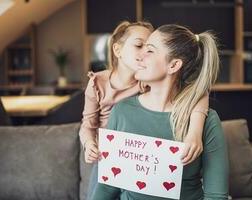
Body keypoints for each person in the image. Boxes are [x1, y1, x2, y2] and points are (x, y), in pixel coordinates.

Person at [90, 24, 229, 200]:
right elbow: (107, 187)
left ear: (173, 65)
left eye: (149, 50)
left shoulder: (206, 121)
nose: (138, 56)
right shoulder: (121, 112)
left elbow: (216, 196)